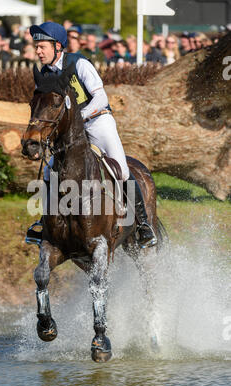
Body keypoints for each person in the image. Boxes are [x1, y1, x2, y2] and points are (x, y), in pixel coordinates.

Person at [26, 22, 157, 248]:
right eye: (36, 46)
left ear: (57, 46)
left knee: (123, 171)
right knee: (49, 172)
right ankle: (43, 223)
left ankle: (143, 224)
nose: (38, 51)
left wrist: (80, 117)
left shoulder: (80, 63)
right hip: (70, 132)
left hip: (97, 123)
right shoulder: (46, 73)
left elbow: (101, 98)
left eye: (42, 47)